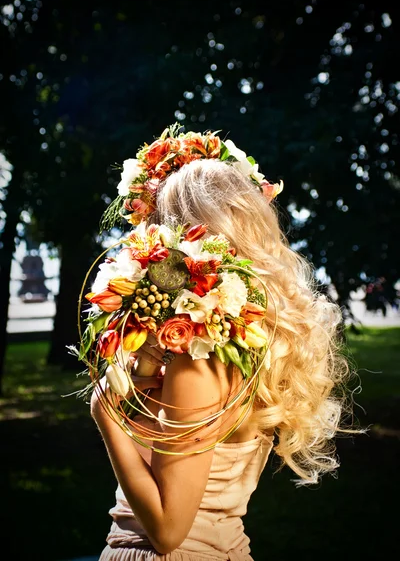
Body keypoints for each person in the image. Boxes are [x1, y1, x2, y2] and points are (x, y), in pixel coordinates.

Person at [89, 129, 356, 561]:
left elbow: (167, 530)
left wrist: (105, 412)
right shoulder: (252, 343)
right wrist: (139, 376)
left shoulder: (200, 363)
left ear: (180, 241)